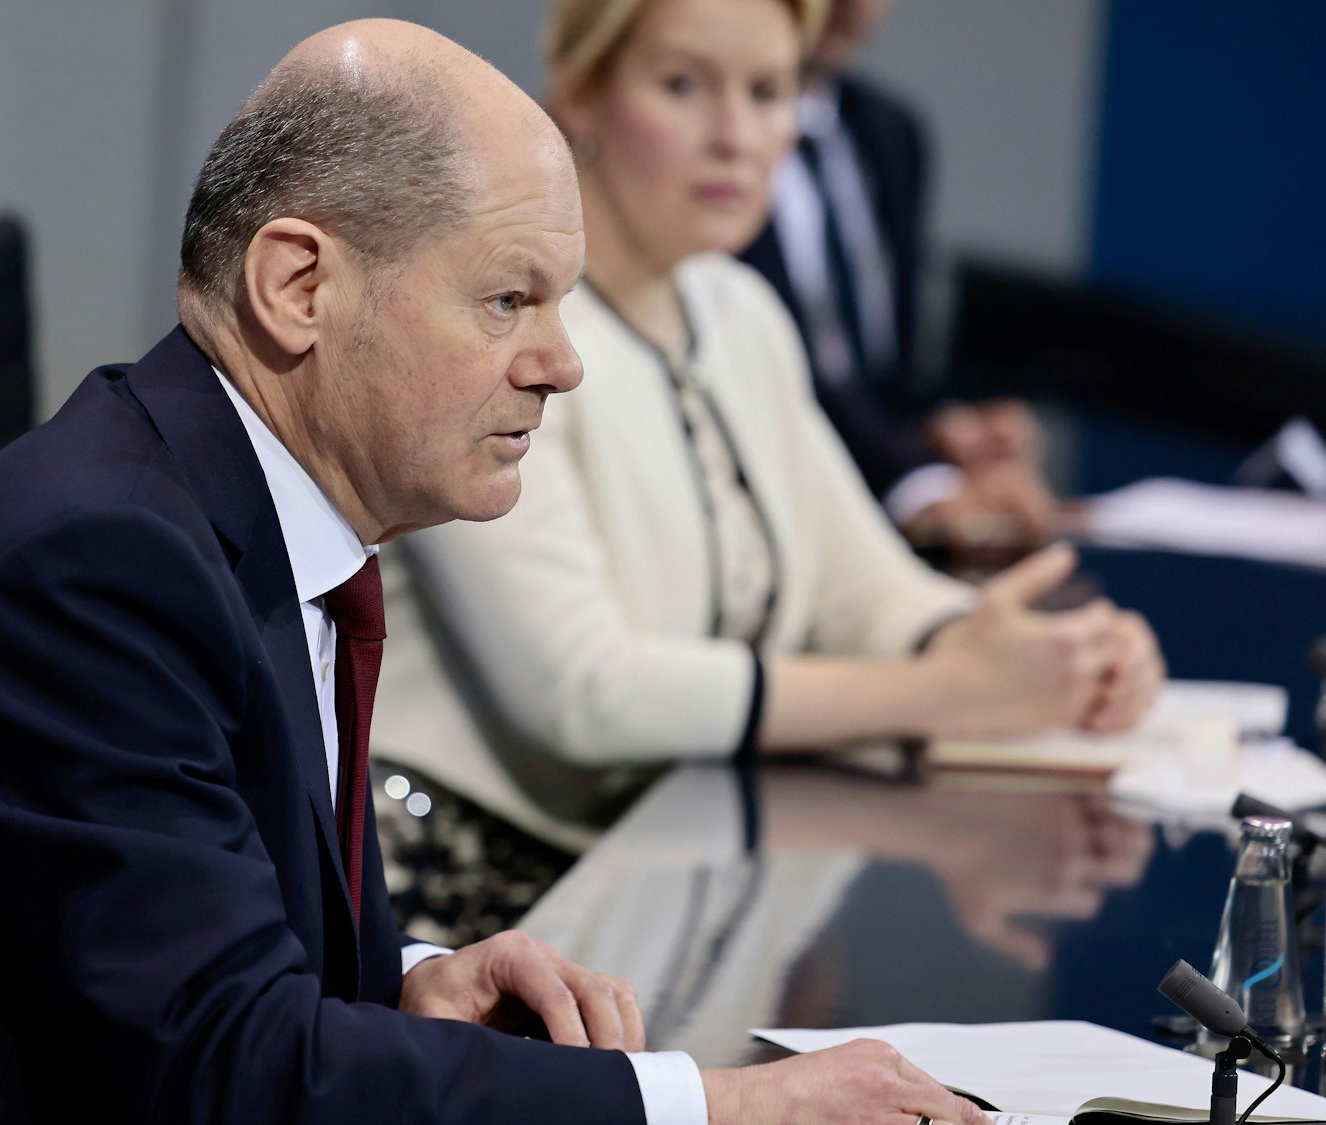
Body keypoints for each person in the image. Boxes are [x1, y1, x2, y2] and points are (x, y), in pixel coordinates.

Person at [0, 18, 988, 1125]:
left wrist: (405, 984)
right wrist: (714, 1105)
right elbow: (228, 1071)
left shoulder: (237, 516)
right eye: (507, 300)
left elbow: (207, 979)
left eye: (558, 304)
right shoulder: (96, 570)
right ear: (297, 285)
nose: (561, 362)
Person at [367, 0, 1163, 944]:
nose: (737, 138)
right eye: (683, 86)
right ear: (580, 96)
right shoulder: (495, 328)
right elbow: (585, 695)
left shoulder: (738, 310)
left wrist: (1031, 655)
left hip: (667, 884)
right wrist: (950, 691)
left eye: (771, 92)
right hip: (456, 914)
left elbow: (859, 588)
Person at [736, 0, 1056, 550]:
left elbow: (883, 360)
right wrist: (913, 479)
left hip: (892, 512)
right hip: (767, 508)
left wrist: (946, 429)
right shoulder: (711, 145)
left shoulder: (890, 131)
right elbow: (754, 362)